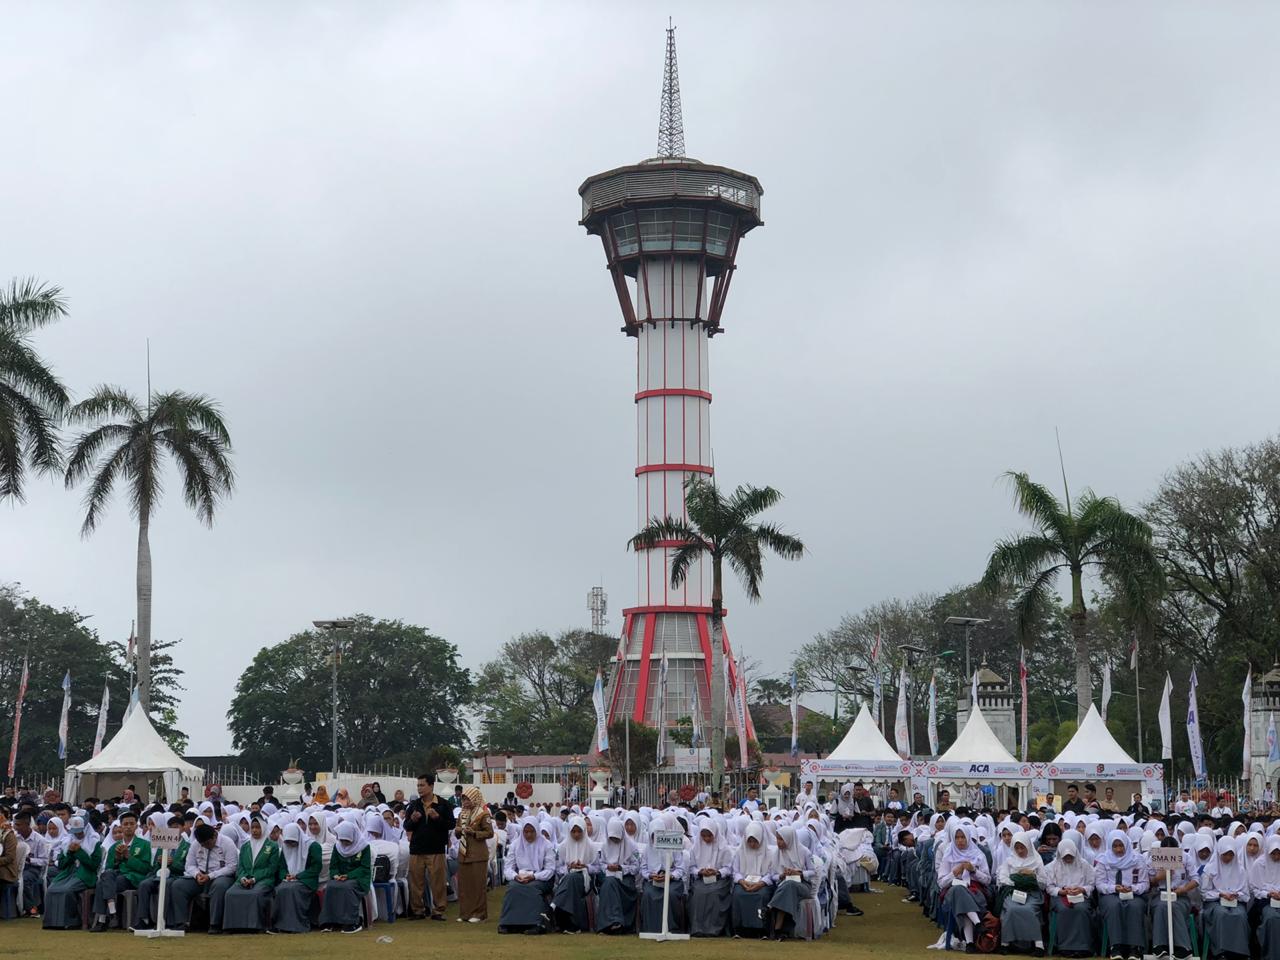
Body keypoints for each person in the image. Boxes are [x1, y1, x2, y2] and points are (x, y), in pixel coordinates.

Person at [170, 822, 239, 933]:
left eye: (207, 843)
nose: (205, 846)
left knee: (219, 886)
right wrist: (197, 874)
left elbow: (232, 867)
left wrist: (211, 876)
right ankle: (181, 922)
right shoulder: (196, 844)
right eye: (202, 844)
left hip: (220, 876)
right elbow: (189, 865)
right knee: (178, 885)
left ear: (215, 836)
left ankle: (214, 924)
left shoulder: (227, 843)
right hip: (200, 877)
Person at [404, 773, 455, 921]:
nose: (419, 788)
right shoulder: (414, 805)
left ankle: (438, 910)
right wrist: (412, 820)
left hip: (436, 848)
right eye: (418, 785)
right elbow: (406, 825)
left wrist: (437, 818)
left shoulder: (443, 804)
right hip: (417, 849)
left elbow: (451, 824)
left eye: (422, 785)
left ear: (431, 786)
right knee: (416, 882)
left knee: (437, 882)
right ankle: (418, 910)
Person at [90, 808, 151, 931]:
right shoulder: (114, 847)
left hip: (132, 878)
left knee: (102, 883)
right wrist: (117, 859)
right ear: (121, 826)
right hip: (116, 877)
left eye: (131, 824)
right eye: (125, 824)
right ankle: (111, 914)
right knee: (104, 879)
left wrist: (128, 857)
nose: (128, 827)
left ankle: (104, 919)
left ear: (136, 826)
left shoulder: (144, 845)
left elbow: (145, 868)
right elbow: (108, 868)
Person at [1094, 829, 1149, 960]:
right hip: (1110, 894)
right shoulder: (1103, 860)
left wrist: (1133, 888)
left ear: (1126, 844)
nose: (1118, 850)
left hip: (1134, 894)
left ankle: (1134, 948)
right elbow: (1100, 884)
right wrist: (1114, 888)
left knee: (1134, 906)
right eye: (1115, 846)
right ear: (1109, 846)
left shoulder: (1137, 859)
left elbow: (1145, 883)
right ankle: (1116, 947)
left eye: (1121, 846)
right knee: (1114, 906)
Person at [43, 815, 103, 929]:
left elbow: (93, 865)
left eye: (80, 832)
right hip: (68, 873)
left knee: (67, 890)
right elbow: (61, 865)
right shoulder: (66, 841)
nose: (77, 834)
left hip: (86, 874)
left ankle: (71, 922)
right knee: (51, 889)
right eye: (75, 832)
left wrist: (79, 852)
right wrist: (70, 853)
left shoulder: (94, 842)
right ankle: (51, 922)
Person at [222, 814, 279, 932]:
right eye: (252, 827)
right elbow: (241, 867)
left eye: (257, 827)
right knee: (230, 893)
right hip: (244, 880)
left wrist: (254, 879)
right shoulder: (245, 846)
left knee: (255, 894)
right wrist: (243, 878)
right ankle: (233, 926)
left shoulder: (272, 846)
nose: (254, 830)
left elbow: (271, 869)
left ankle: (253, 926)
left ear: (263, 828)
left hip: (264, 880)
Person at [132, 813, 189, 931]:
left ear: (183, 828)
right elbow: (154, 866)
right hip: (159, 875)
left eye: (176, 826)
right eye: (171, 827)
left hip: (176, 876)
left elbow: (187, 868)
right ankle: (143, 919)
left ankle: (167, 920)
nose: (174, 830)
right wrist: (159, 862)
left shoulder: (187, 846)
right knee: (144, 884)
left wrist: (172, 863)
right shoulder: (163, 844)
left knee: (168, 885)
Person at [499, 816, 555, 934]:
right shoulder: (516, 844)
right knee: (513, 888)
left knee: (531, 888)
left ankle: (536, 923)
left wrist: (535, 876)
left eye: (531, 831)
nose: (528, 835)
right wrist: (515, 876)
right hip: (520, 876)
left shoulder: (546, 845)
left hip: (541, 877)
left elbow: (550, 870)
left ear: (537, 831)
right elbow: (508, 867)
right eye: (526, 832)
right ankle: (508, 923)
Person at [1201, 835, 1250, 960]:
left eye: (1230, 854)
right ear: (1219, 853)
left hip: (1235, 902)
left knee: (1240, 915)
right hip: (1214, 902)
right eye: (1225, 854)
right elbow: (1204, 893)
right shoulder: (1210, 869)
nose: (1228, 858)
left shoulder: (1240, 869)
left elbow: (1245, 894)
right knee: (1221, 914)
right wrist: (1220, 894)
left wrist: (1236, 895)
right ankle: (1221, 951)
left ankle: (1239, 951)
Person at [998, 830, 1047, 955]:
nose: (1020, 851)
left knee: (1029, 909)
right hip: (1014, 893)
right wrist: (1016, 879)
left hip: (1032, 894)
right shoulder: (1009, 860)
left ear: (1028, 846)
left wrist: (1032, 875)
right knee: (1011, 909)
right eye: (1017, 848)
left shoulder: (1036, 860)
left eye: (1022, 847)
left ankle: (1038, 945)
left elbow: (1043, 883)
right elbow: (1002, 878)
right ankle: (1005, 944)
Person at [1045, 836, 1095, 958]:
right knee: (1064, 909)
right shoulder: (1052, 866)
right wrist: (1062, 891)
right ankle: (1065, 946)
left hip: (1080, 896)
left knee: (1082, 909)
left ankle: (1083, 947)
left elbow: (1091, 884)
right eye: (1065, 857)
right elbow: (1049, 887)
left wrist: (1081, 889)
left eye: (1070, 856)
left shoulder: (1084, 865)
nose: (1068, 859)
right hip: (1061, 897)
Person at [317, 821, 370, 933]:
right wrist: (335, 875)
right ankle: (329, 921)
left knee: (348, 887)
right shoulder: (338, 847)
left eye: (347, 841)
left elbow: (364, 868)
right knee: (330, 886)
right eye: (342, 840)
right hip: (341, 878)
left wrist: (349, 875)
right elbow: (333, 866)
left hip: (359, 879)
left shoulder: (364, 847)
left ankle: (352, 922)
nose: (344, 843)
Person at [551, 813, 598, 932]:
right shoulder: (563, 847)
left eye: (579, 831)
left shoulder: (591, 846)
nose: (576, 834)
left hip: (585, 879)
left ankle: (554, 907)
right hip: (567, 878)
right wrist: (568, 867)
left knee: (571, 878)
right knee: (570, 878)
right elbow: (557, 868)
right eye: (573, 831)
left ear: (584, 831)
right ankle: (569, 923)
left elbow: (597, 868)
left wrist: (586, 866)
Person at [271, 823, 321, 933]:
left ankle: (297, 925)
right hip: (289, 880)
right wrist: (286, 876)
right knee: (280, 889)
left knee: (292, 889)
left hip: (307, 881)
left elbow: (315, 868)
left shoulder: (313, 846)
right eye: (288, 842)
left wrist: (298, 876)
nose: (290, 845)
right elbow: (282, 867)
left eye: (293, 842)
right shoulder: (285, 846)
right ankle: (280, 924)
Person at [687, 818, 732, 937]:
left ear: (715, 833)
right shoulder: (695, 847)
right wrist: (700, 871)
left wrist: (717, 872)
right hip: (701, 879)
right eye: (704, 836)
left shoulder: (724, 848)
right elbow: (691, 868)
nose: (706, 839)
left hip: (719, 880)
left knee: (713, 893)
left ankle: (714, 929)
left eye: (709, 836)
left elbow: (728, 868)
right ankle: (698, 928)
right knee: (698, 893)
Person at [455, 787, 494, 923]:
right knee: (464, 885)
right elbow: (457, 832)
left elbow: (490, 833)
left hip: (478, 854)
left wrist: (475, 833)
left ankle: (479, 914)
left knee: (478, 886)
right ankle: (465, 913)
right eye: (464, 799)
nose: (465, 801)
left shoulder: (483, 814)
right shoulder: (462, 814)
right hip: (464, 853)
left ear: (475, 799)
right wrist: (459, 830)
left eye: (468, 799)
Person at [767, 823, 813, 940]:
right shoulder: (776, 853)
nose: (778, 842)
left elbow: (814, 872)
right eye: (777, 839)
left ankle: (771, 908)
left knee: (790, 885)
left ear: (789, 839)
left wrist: (800, 873)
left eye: (781, 839)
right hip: (783, 885)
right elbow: (772, 876)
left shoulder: (804, 851)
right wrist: (782, 875)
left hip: (803, 885)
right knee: (788, 886)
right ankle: (779, 929)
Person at [731, 821, 775, 938]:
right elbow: (735, 871)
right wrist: (742, 881)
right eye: (749, 841)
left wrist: (761, 883)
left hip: (763, 884)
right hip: (744, 882)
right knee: (738, 894)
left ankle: (761, 929)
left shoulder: (769, 853)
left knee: (762, 896)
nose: (752, 844)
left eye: (755, 841)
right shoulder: (740, 852)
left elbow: (772, 873)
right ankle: (740, 929)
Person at [595, 818, 640, 933]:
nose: (614, 840)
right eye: (612, 838)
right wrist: (607, 867)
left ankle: (611, 922)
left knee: (609, 885)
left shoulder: (632, 846)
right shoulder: (605, 846)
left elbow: (636, 867)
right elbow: (601, 864)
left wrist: (621, 868)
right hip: (609, 877)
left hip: (626, 880)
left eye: (617, 838)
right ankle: (613, 922)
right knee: (608, 883)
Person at [1250, 835, 1280, 960]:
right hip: (1265, 900)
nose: (1276, 857)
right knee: (1272, 917)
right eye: (1273, 853)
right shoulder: (1259, 864)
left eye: (1279, 853)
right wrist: (1268, 893)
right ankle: (1272, 954)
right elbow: (1255, 889)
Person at [12, 810, 47, 916]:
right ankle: (12, 909)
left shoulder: (39, 840)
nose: (15, 827)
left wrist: (29, 860)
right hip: (15, 867)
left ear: (27, 825)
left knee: (25, 879)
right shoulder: (14, 837)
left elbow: (44, 860)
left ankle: (30, 908)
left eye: (18, 825)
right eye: (15, 824)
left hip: (32, 869)